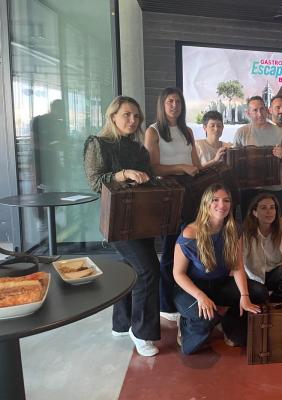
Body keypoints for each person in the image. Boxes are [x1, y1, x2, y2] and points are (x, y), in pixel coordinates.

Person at [83, 95, 161, 357]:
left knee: (131, 268)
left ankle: (122, 322)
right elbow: (95, 182)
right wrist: (123, 173)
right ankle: (142, 332)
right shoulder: (97, 144)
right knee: (148, 271)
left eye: (136, 116)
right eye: (127, 114)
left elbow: (149, 180)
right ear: (113, 116)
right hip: (117, 220)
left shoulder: (139, 149)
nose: (132, 120)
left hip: (142, 217)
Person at [172, 184, 266, 355]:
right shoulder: (190, 233)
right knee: (200, 330)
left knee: (259, 292)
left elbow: (237, 266)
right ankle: (186, 322)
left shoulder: (234, 229)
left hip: (219, 284)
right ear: (205, 203)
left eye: (226, 200)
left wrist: (244, 296)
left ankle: (228, 321)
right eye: (215, 200)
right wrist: (200, 296)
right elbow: (178, 274)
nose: (221, 205)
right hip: (192, 289)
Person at [144, 87, 202, 322]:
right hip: (167, 193)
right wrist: (181, 167)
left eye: (178, 101)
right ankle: (166, 304)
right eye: (170, 101)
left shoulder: (187, 130)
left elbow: (196, 165)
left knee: (190, 246)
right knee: (170, 249)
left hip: (191, 192)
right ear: (162, 104)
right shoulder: (153, 131)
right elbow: (152, 167)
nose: (174, 105)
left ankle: (186, 294)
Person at [234, 96, 282, 217]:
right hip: (249, 189)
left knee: (275, 225)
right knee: (248, 224)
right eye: (255, 110)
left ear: (267, 110)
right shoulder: (241, 133)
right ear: (248, 113)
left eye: (262, 109)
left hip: (274, 190)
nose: (259, 114)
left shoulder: (281, 132)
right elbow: (235, 163)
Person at [243, 192, 282, 302]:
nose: (269, 211)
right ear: (255, 212)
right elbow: (239, 265)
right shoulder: (246, 233)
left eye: (272, 207)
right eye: (263, 208)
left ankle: (277, 300)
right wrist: (244, 293)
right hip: (254, 276)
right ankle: (267, 297)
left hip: (275, 271)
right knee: (260, 293)